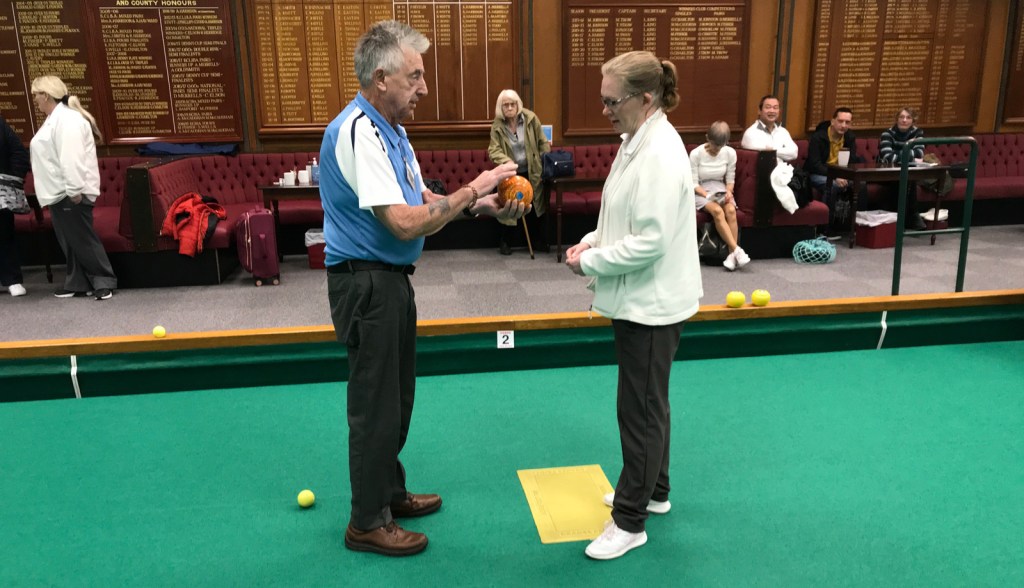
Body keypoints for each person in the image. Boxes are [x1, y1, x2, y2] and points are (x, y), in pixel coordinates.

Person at [319, 20, 525, 557]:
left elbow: (421, 198)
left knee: (397, 400)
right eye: (415, 77)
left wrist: (481, 206)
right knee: (375, 407)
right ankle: (367, 522)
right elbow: (404, 223)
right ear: (380, 78)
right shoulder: (359, 131)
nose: (424, 88)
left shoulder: (393, 131)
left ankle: (388, 494)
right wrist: (472, 187)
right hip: (366, 283)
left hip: (389, 282)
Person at [565, 51, 702, 561]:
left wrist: (590, 262)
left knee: (639, 410)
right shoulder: (635, 141)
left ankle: (629, 521)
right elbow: (621, 216)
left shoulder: (661, 153)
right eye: (602, 100)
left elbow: (650, 242)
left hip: (652, 303)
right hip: (642, 298)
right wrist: (590, 240)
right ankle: (655, 490)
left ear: (645, 98)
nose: (604, 110)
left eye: (611, 101)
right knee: (650, 402)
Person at [29, 76, 117, 300]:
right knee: (70, 241)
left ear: (46, 95)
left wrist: (74, 190)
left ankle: (104, 281)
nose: (34, 100)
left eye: (36, 95)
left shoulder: (67, 120)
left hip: (71, 193)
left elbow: (71, 158)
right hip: (59, 193)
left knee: (83, 240)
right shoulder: (55, 119)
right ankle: (77, 283)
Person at [487, 89, 551, 254]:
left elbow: (542, 142)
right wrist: (506, 161)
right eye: (505, 105)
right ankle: (506, 242)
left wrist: (544, 164)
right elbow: (493, 150)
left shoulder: (530, 118)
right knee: (509, 205)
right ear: (501, 108)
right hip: (510, 174)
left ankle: (538, 241)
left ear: (518, 105)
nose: (509, 108)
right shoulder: (497, 126)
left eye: (512, 104)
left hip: (532, 171)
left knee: (533, 206)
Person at [690, 121, 749, 270]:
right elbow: (693, 183)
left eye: (721, 145)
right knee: (717, 211)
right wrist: (708, 195)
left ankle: (731, 256)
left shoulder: (730, 153)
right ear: (707, 138)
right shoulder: (696, 154)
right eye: (715, 144)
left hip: (720, 188)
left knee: (730, 210)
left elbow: (730, 179)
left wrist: (728, 192)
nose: (717, 149)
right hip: (701, 190)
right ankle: (736, 250)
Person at [803, 107, 865, 232]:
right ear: (832, 121)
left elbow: (852, 161)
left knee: (861, 184)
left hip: (841, 173)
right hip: (818, 173)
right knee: (832, 185)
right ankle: (825, 229)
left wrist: (845, 175)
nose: (843, 125)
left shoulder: (850, 137)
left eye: (847, 122)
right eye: (840, 121)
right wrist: (835, 176)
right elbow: (815, 164)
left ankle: (857, 227)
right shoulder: (818, 137)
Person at [877, 107, 926, 229]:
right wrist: (908, 149)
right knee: (904, 179)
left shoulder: (918, 133)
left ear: (913, 120)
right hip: (887, 173)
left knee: (907, 178)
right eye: (901, 117)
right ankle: (910, 216)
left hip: (908, 173)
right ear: (897, 119)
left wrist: (898, 154)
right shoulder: (887, 134)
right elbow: (888, 157)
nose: (904, 120)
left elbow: (919, 153)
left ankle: (902, 218)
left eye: (908, 117)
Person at [0, 115, 29, 297]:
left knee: (4, 234)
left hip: (1, 192)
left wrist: (10, 181)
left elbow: (19, 153)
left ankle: (12, 280)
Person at [740, 94, 798, 162]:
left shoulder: (783, 131)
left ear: (779, 111)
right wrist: (783, 151)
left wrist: (771, 150)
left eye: (775, 108)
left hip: (784, 168)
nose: (772, 111)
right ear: (759, 111)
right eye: (768, 107)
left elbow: (794, 153)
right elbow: (763, 156)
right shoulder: (751, 133)